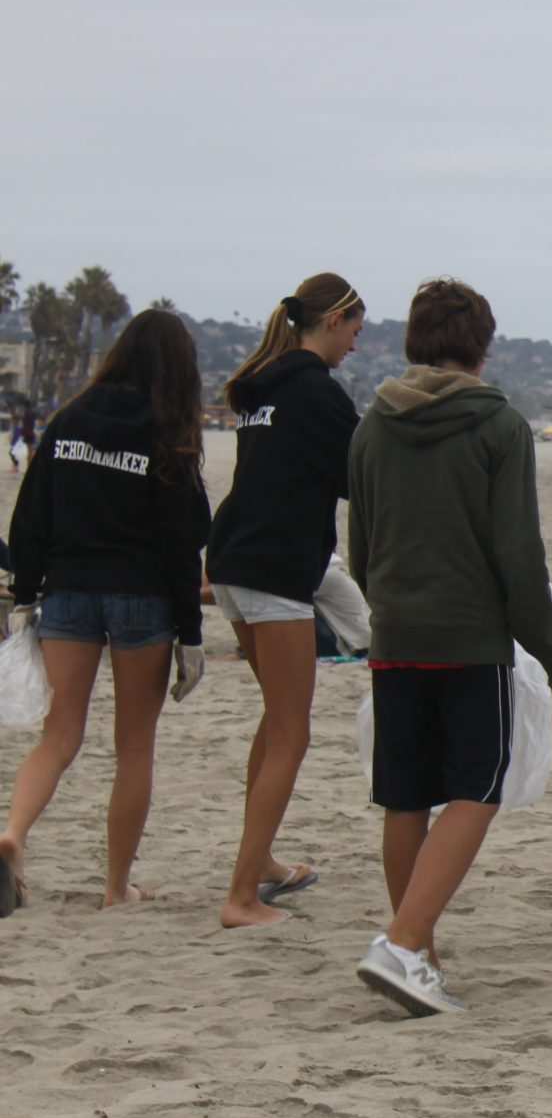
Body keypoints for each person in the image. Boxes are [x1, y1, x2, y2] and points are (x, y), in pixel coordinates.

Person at [348, 279, 552, 1015]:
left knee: (405, 794)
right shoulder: (499, 426)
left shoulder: (372, 425)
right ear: (482, 347)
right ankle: (403, 941)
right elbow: (519, 554)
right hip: (470, 638)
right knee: (478, 789)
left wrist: (391, 606)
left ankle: (419, 957)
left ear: (414, 341)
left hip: (394, 634)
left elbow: (361, 550)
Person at [2, 310, 211, 917]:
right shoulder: (167, 431)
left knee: (58, 736)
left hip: (68, 590)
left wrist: (25, 594)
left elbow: (31, 514)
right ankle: (117, 886)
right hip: (142, 598)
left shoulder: (69, 418)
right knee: (134, 746)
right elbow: (182, 543)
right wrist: (190, 635)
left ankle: (13, 833)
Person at [204, 273, 365, 928]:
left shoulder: (263, 386)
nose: (355, 344)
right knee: (292, 733)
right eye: (354, 331)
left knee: (277, 720)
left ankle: (260, 859)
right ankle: (242, 897)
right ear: (333, 320)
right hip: (273, 568)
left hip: (232, 560)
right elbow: (361, 474)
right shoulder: (314, 391)